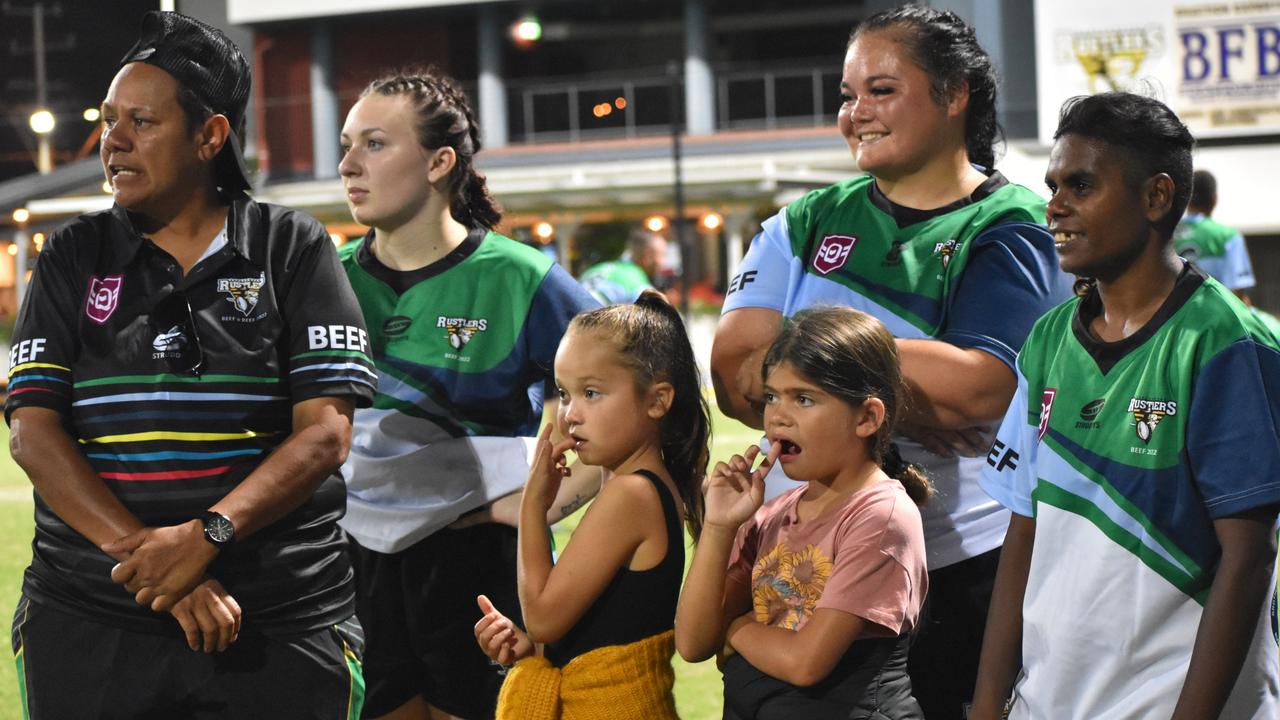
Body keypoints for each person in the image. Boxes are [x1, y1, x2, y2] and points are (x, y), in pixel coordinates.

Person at [5, 11, 375, 718]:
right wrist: (159, 566)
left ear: (210, 136)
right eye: (109, 118)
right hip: (92, 618)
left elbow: (325, 434)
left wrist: (209, 536)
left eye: (140, 122)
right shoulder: (70, 256)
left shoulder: (290, 248)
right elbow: (33, 433)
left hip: (277, 616)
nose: (112, 140)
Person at [710, 6, 1070, 717]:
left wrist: (805, 360)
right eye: (847, 95)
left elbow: (979, 389)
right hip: (797, 565)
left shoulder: (1013, 225)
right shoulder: (807, 218)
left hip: (956, 567)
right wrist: (882, 384)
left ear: (954, 93)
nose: (855, 113)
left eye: (880, 90)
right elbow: (732, 373)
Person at [971, 92, 1280, 719]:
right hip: (1048, 702)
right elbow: (1023, 531)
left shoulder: (1226, 342)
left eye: (1080, 185)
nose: (1054, 206)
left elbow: (1248, 556)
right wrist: (986, 705)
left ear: (1156, 196)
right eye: (1053, 184)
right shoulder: (1048, 339)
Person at [335, 68, 600, 720]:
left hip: (483, 564)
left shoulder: (520, 278)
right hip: (354, 563)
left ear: (439, 161)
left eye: (374, 144)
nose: (347, 164)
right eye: (346, 144)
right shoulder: (325, 281)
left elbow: (643, 390)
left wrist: (539, 504)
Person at [677, 306, 930, 718]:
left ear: (867, 417)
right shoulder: (770, 514)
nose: (777, 414)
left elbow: (805, 662)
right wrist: (720, 526)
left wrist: (736, 627)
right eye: (773, 395)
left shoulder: (881, 515)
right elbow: (692, 642)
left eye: (804, 399)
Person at [472, 291, 711, 719]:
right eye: (564, 393)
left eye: (592, 393)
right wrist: (528, 649)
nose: (570, 415)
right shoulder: (637, 487)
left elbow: (544, 617)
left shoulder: (632, 494)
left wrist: (532, 505)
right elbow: (589, 633)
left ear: (658, 400)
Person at [1174, 169, 1256, 297]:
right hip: (1212, 315)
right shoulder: (1227, 236)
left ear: (1187, 199)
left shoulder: (1166, 234)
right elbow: (1237, 290)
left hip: (1171, 315)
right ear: (1214, 199)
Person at [578, 228, 668, 304]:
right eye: (662, 255)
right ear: (648, 255)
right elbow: (659, 318)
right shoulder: (635, 281)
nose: (663, 262)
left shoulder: (596, 269)